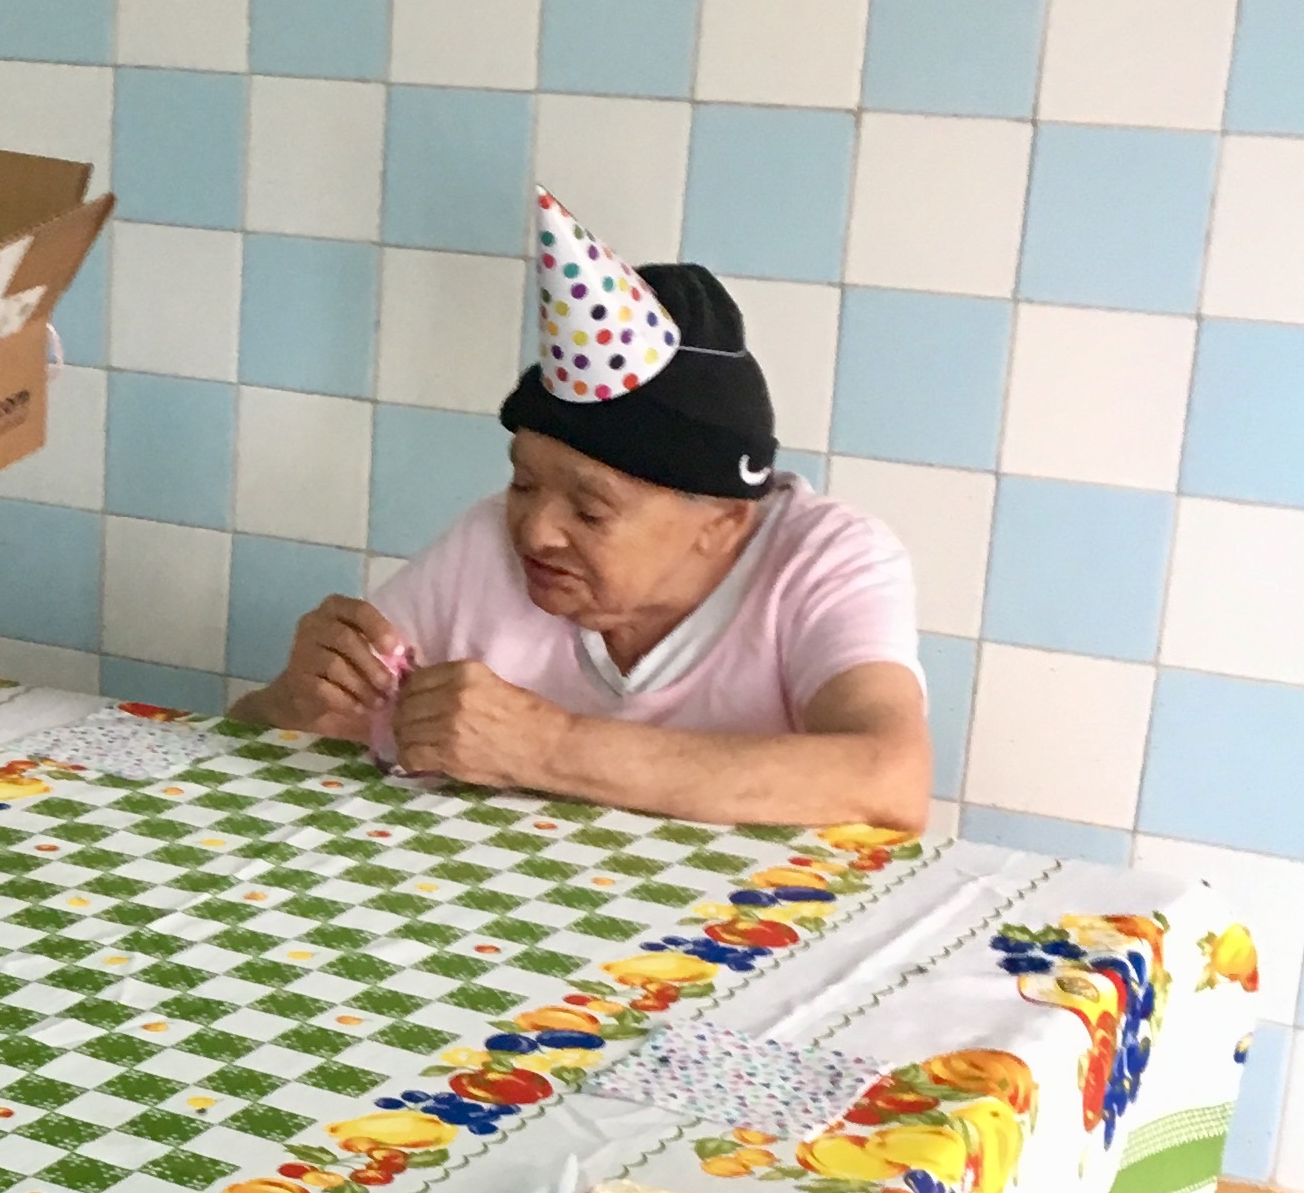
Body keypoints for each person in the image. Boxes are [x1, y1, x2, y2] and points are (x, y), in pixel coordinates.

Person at [235, 195, 930, 834]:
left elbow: (890, 781)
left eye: (591, 511)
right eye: (523, 483)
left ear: (722, 522)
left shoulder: (827, 561)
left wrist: (549, 748)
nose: (536, 532)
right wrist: (293, 704)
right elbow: (260, 746)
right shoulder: (486, 545)